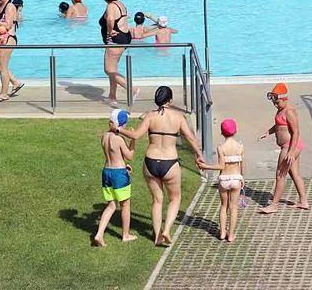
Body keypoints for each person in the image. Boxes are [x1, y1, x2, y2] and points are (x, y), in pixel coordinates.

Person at [111, 86, 204, 245]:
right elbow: (190, 138)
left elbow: (136, 135)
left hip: (150, 162)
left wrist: (119, 130)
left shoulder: (150, 116)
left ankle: (156, 236)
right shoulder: (178, 117)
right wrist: (199, 154)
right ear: (170, 100)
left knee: (157, 200)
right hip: (170, 163)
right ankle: (167, 230)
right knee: (175, 199)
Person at [258, 83, 309, 213]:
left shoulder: (289, 111)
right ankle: (303, 201)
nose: (275, 105)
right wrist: (268, 132)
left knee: (280, 174)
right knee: (294, 173)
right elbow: (278, 126)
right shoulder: (280, 110)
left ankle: (274, 205)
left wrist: (291, 152)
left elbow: (296, 132)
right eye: (274, 103)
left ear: (285, 99)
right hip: (289, 146)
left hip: (290, 146)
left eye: (277, 102)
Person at [92, 111, 138, 247]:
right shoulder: (119, 139)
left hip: (107, 172)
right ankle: (125, 235)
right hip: (119, 174)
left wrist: (125, 165)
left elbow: (113, 154)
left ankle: (99, 234)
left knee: (111, 205)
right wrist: (133, 140)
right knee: (125, 205)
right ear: (121, 125)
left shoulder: (104, 136)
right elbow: (129, 156)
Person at [197, 118, 245, 242]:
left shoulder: (221, 148)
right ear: (235, 131)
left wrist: (206, 166)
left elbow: (221, 166)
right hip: (236, 178)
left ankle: (222, 232)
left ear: (222, 132)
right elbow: (242, 165)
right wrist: (242, 177)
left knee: (224, 206)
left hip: (224, 179)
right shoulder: (240, 146)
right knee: (233, 207)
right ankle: (231, 235)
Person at [99, 0, 137, 106]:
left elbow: (110, 19)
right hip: (125, 37)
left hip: (115, 40)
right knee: (113, 69)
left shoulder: (110, 6)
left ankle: (132, 90)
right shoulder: (120, 4)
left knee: (108, 70)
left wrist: (110, 31)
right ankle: (112, 96)